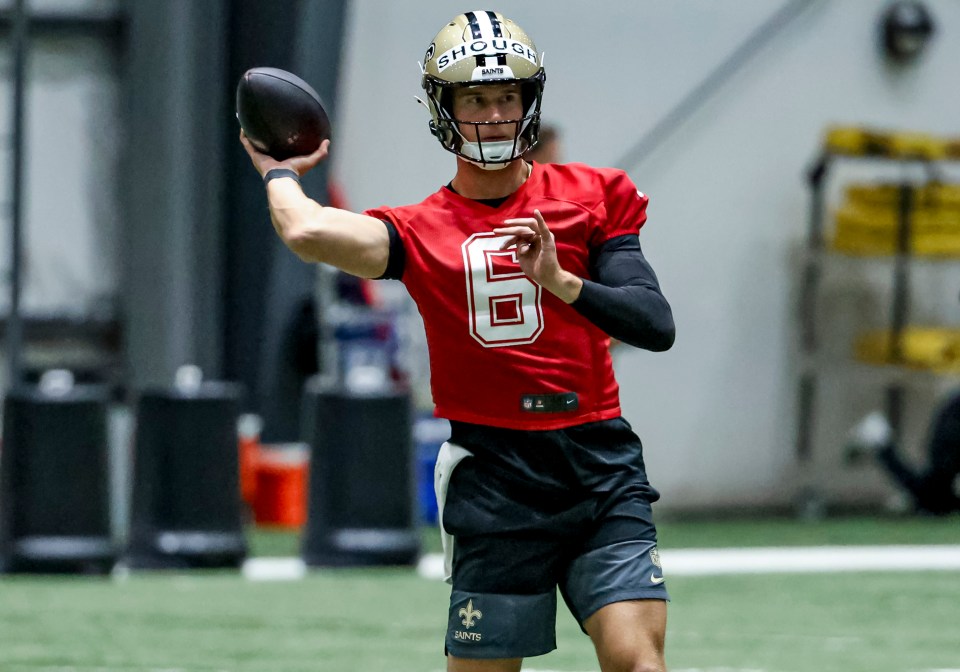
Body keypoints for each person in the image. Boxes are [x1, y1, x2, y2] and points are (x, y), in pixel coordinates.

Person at [240, 10, 675, 671]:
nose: (495, 113)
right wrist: (279, 170)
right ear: (445, 108)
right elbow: (306, 233)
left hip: (597, 463)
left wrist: (561, 282)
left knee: (636, 663)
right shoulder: (418, 231)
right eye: (476, 98)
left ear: (530, 101)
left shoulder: (594, 196)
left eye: (507, 96)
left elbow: (654, 322)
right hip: (495, 475)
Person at [849, 391, 960, 516]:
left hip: (949, 427)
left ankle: (881, 440)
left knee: (935, 500)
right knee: (933, 498)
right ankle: (881, 441)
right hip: (951, 433)